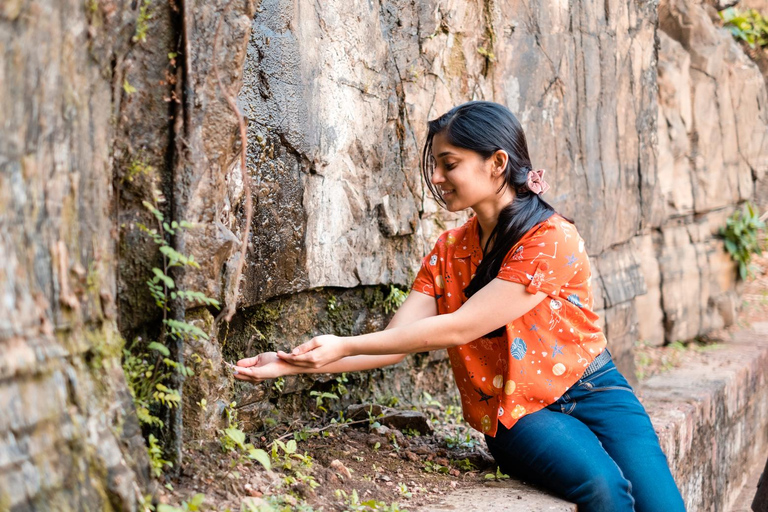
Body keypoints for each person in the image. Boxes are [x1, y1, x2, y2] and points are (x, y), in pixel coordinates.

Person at [233, 101, 687, 512]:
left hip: (596, 391)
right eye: (434, 165)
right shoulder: (449, 250)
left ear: (497, 164)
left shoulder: (550, 238)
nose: (435, 177)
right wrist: (295, 364)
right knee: (605, 488)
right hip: (517, 413)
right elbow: (393, 346)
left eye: (449, 164)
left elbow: (459, 327)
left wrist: (344, 343)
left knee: (662, 505)